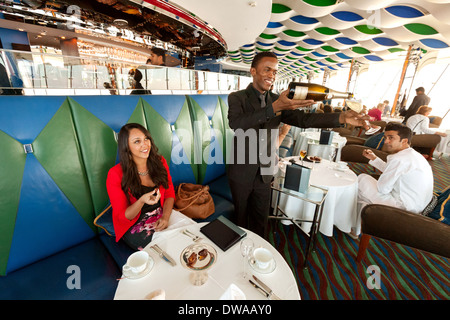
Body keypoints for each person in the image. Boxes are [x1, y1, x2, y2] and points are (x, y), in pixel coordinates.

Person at [227, 51, 370, 238]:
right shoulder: (237, 98)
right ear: (253, 71)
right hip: (241, 170)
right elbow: (237, 124)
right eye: (267, 69)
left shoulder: (276, 99)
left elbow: (304, 119)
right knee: (240, 218)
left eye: (275, 71)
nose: (271, 75)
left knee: (261, 219)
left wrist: (341, 117)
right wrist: (275, 108)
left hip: (265, 171)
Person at [355, 122, 433, 237]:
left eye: (391, 138)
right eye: (385, 137)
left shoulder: (399, 159)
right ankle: (356, 227)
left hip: (403, 207)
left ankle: (350, 222)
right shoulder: (413, 155)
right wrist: (374, 158)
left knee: (362, 179)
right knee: (363, 194)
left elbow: (383, 189)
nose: (386, 142)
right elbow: (394, 171)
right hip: (417, 205)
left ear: (404, 141)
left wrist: (382, 181)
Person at [106, 123, 175, 250]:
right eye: (137, 141)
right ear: (127, 147)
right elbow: (123, 217)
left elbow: (170, 193)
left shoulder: (159, 162)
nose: (145, 144)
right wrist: (142, 200)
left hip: (161, 214)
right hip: (135, 224)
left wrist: (165, 217)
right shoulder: (115, 174)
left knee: (184, 238)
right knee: (164, 248)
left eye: (146, 138)